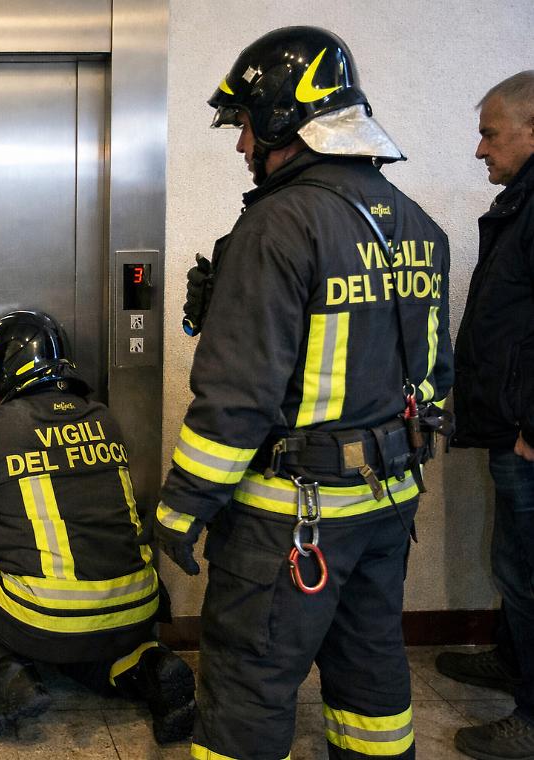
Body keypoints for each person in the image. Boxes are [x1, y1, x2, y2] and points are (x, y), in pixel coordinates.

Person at [155, 28, 452, 759]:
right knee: (372, 674)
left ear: (285, 121)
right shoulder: (421, 228)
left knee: (248, 685)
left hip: (291, 520)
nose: (239, 147)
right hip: (387, 505)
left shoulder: (277, 225)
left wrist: (183, 504)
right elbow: (432, 378)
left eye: (247, 126)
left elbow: (239, 398)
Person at [0, 310, 195, 743]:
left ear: (4, 371)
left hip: (43, 617)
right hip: (137, 608)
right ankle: (148, 667)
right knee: (77, 642)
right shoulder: (102, 418)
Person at [436, 70, 534, 760]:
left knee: (530, 572)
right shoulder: (523, 203)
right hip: (511, 427)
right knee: (517, 566)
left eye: (489, 134)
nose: (479, 150)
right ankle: (511, 659)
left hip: (530, 437)